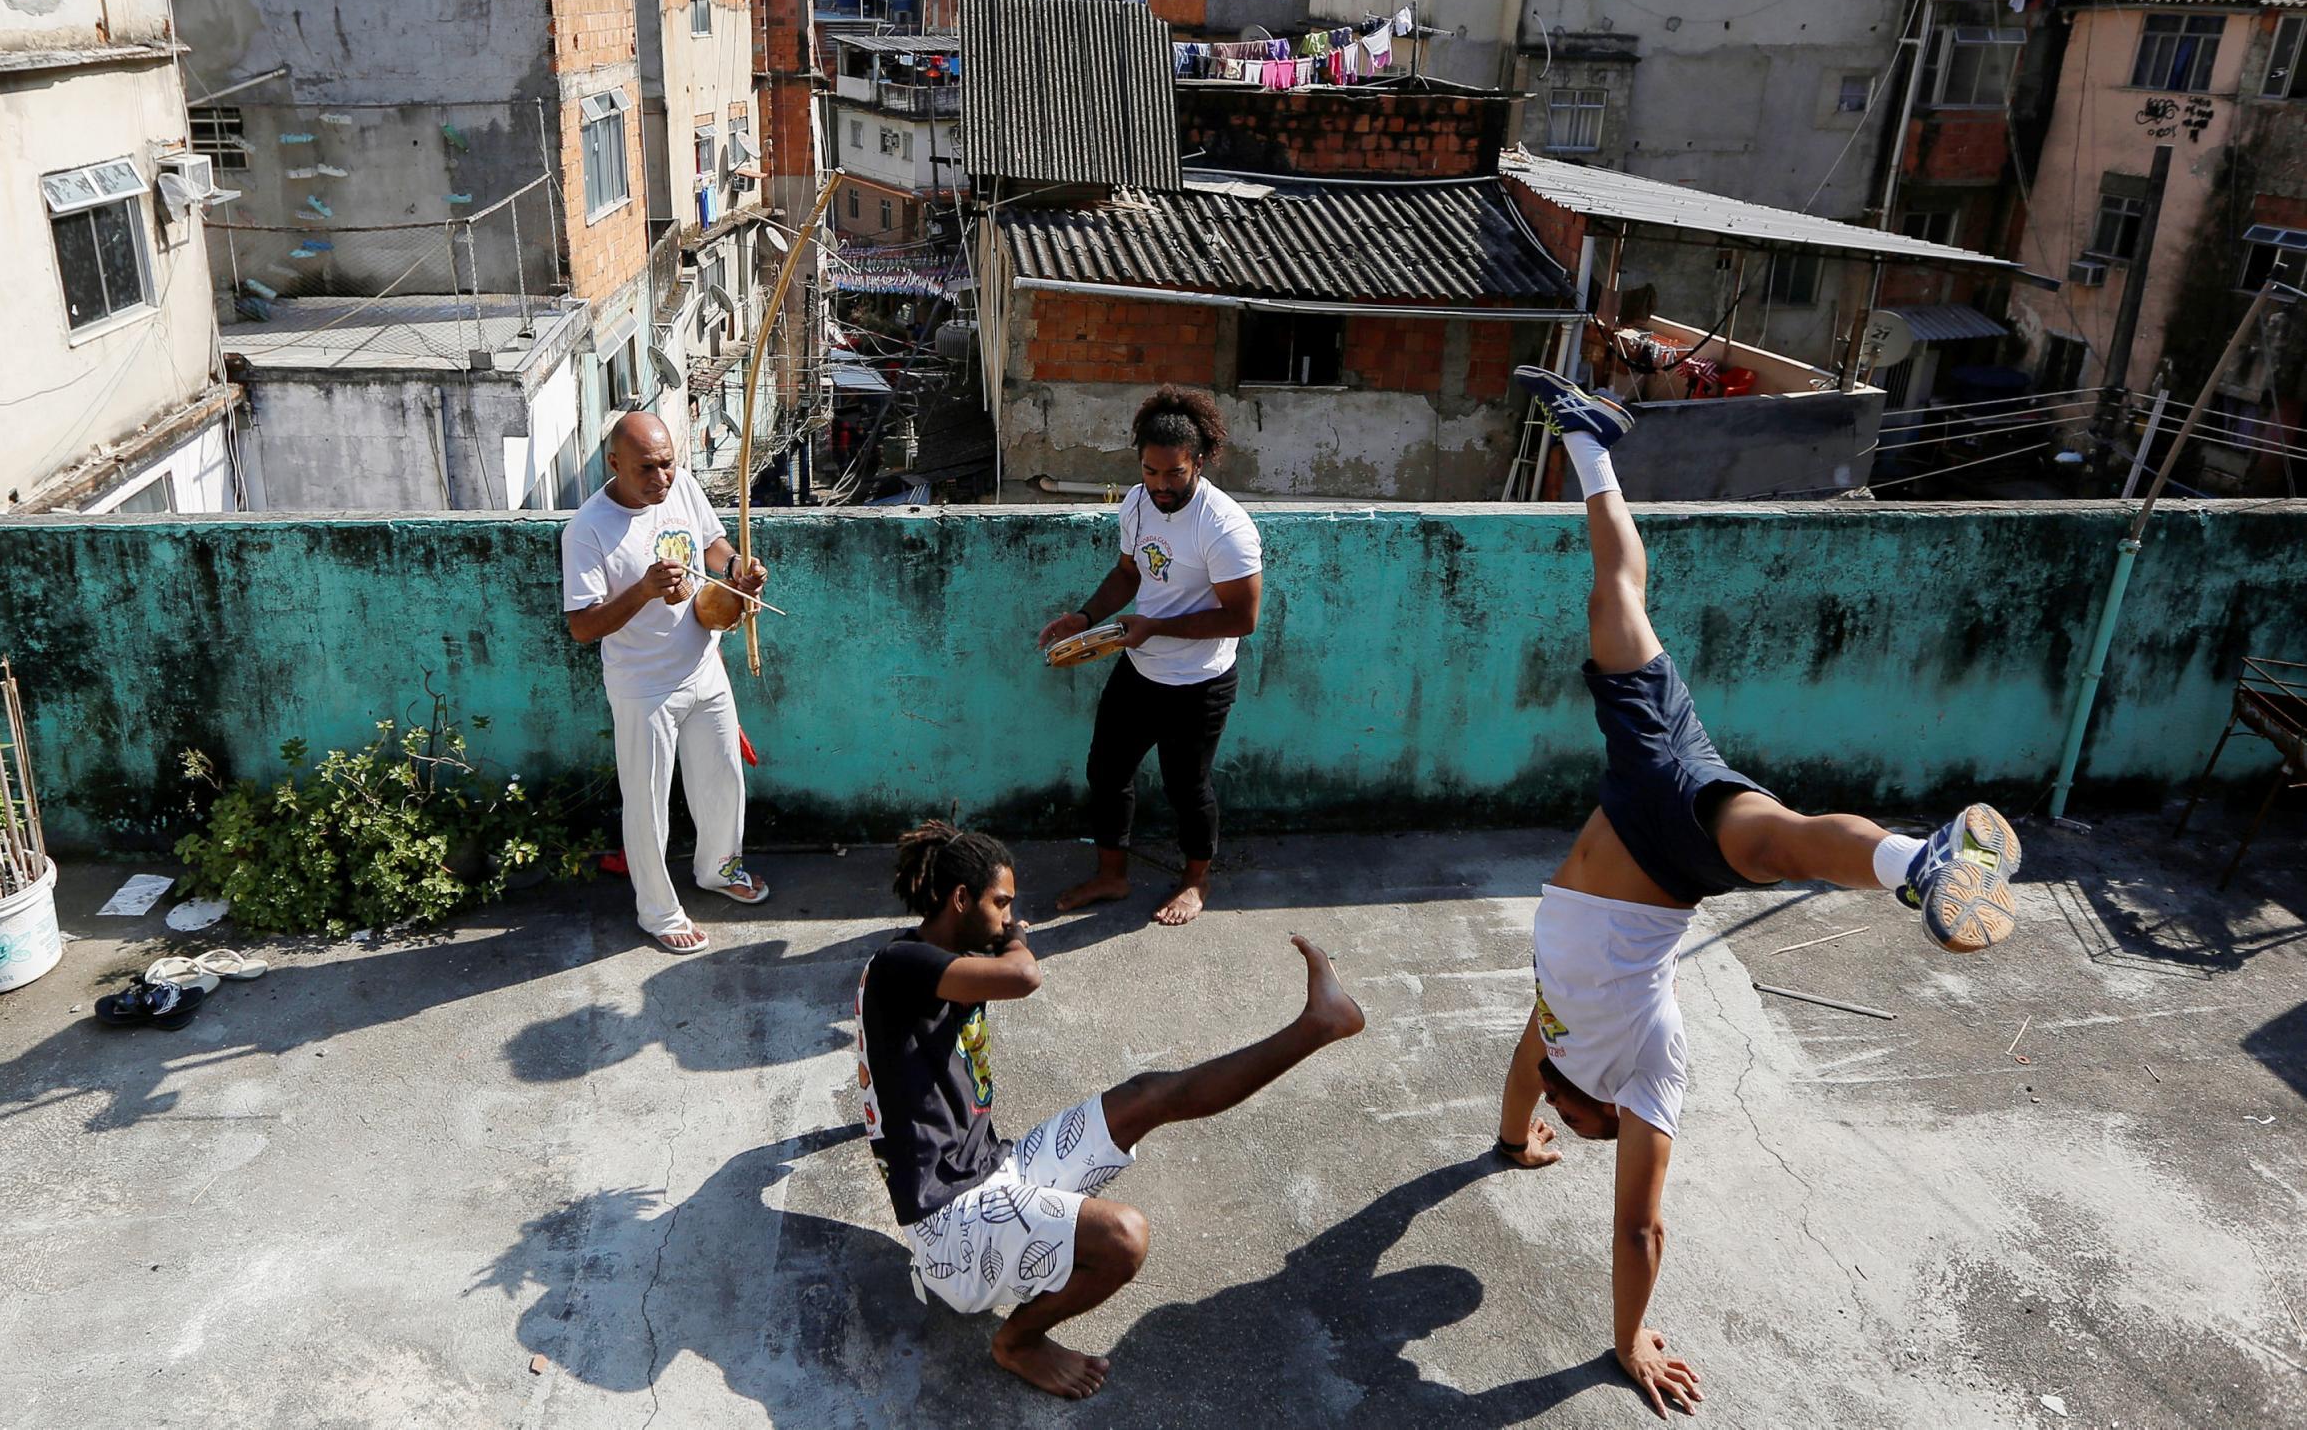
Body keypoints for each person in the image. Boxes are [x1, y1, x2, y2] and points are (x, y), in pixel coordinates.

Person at [1489, 365, 2024, 1421]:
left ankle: (1588, 439)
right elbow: (1639, 1229)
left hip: (1647, 769)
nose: (1556, 1103)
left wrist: (1512, 1142)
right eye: (1569, 1123)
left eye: (1552, 1108)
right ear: (1606, 1113)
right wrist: (1626, 1338)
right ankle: (1914, 865)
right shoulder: (1645, 1063)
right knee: (1778, 843)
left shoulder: (1556, 1033)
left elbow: (1524, 1066)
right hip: (1667, 859)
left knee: (1616, 594)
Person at [854, 821, 1364, 1400]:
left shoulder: (936, 966)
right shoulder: (902, 964)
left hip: (995, 1169)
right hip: (949, 1224)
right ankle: (1016, 1342)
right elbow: (1024, 976)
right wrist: (1016, 938)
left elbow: (887, 1066)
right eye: (1001, 903)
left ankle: (1318, 1025)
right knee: (1123, 1236)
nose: (1009, 915)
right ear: (961, 900)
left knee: (1149, 1094)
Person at [1035, 388, 1263, 926]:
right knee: (1106, 771)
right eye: (1150, 471)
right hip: (1139, 665)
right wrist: (1084, 619)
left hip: (1200, 681)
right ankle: (1112, 876)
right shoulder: (1137, 503)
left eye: (1174, 474)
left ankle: (1196, 880)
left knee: (1188, 786)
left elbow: (1242, 620)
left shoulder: (1225, 528)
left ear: (1198, 463)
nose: (1161, 486)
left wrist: (1154, 626)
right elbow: (1128, 574)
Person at [561, 409, 772, 954]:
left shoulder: (680, 489)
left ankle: (720, 872)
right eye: (646, 470)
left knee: (724, 778)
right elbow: (583, 627)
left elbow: (714, 543)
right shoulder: (587, 529)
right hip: (642, 686)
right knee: (648, 802)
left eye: (668, 466)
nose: (661, 480)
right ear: (614, 464)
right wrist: (644, 590)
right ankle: (657, 911)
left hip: (704, 664)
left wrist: (736, 570)